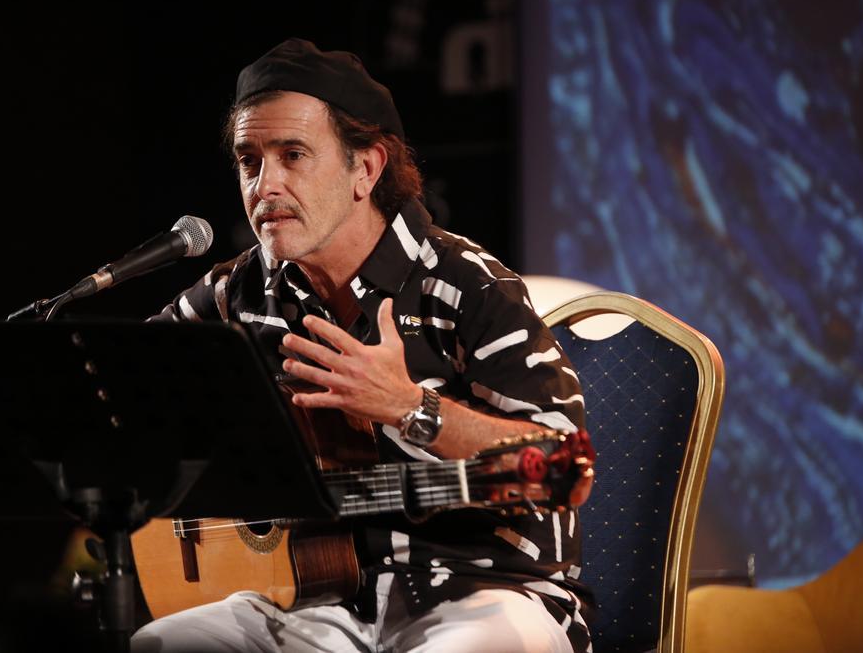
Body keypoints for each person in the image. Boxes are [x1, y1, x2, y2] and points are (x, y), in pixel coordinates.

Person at [136, 38, 593, 653]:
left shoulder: (467, 286)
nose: (264, 185)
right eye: (249, 161)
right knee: (166, 644)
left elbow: (563, 461)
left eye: (292, 155)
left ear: (366, 168)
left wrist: (411, 408)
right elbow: (130, 388)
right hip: (311, 600)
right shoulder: (236, 293)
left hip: (487, 593)